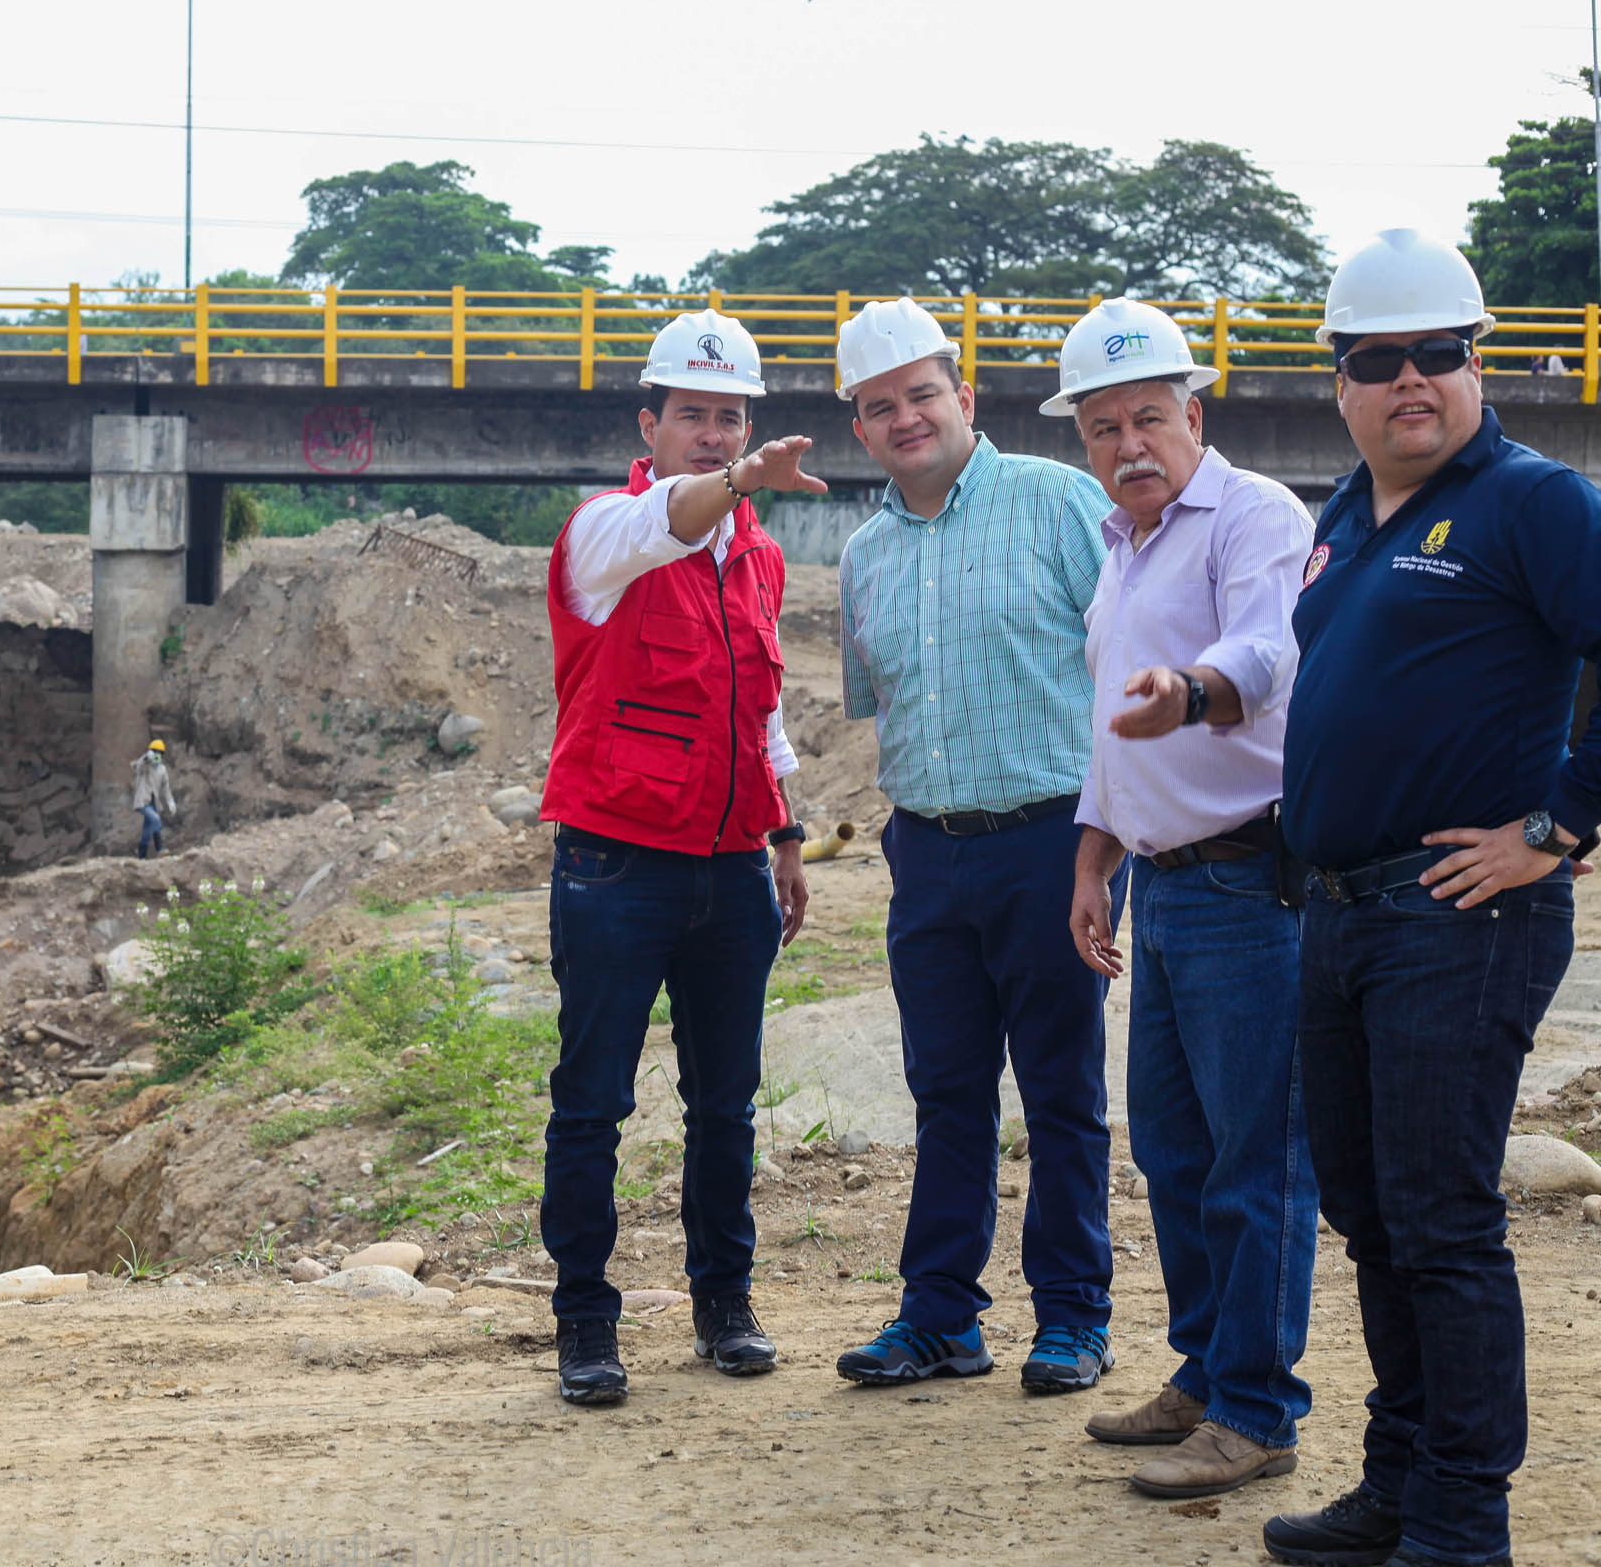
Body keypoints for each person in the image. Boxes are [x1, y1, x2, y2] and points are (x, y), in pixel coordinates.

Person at [1261, 230, 1601, 1567]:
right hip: (1340, 911)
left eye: (1438, 353)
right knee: (1370, 1215)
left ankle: (1463, 1523)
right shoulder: (1345, 515)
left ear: (1477, 363)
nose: (1411, 378)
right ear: (1339, 380)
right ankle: (1401, 1484)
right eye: (1378, 358)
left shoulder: (1534, 502)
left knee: (1443, 1222)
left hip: (1459, 915)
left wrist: (1558, 828)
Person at [1046, 299, 1319, 1500]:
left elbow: (1268, 654)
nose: (1129, 444)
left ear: (1193, 415)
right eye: (1104, 427)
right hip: (1163, 885)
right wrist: (1093, 859)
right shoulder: (1124, 547)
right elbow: (1117, 725)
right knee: (1172, 1149)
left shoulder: (1254, 515)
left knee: (1258, 1161)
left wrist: (1194, 689)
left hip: (1251, 883)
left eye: (1149, 417)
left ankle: (1258, 1411)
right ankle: (1208, 1372)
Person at [831, 297, 1122, 1394]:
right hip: (926, 852)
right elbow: (878, 703)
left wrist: (1104, 846)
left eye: (921, 395)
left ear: (964, 395)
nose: (905, 418)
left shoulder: (1061, 503)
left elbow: (1123, 668)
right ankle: (940, 1316)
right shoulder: (864, 555)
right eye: (880, 407)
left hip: (1053, 841)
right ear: (860, 428)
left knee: (1060, 1089)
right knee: (946, 1091)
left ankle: (1075, 1315)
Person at [535, 309, 824, 1407]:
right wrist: (739, 480)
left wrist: (786, 834)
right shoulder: (604, 535)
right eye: (694, 415)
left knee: (727, 1104)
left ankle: (724, 1304)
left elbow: (762, 708)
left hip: (733, 866)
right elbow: (673, 516)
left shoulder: (759, 556)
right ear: (648, 425)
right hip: (617, 866)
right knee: (592, 1104)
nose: (712, 434)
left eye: (730, 419)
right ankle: (585, 1320)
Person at [133, 741, 175, 858]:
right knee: (156, 819)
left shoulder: (162, 769)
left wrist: (170, 802)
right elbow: (138, 767)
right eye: (155, 752)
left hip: (154, 803)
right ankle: (159, 849)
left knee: (146, 831)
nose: (157, 755)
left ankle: (141, 856)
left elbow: (166, 788)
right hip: (143, 802)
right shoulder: (145, 766)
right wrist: (146, 758)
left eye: (159, 753)